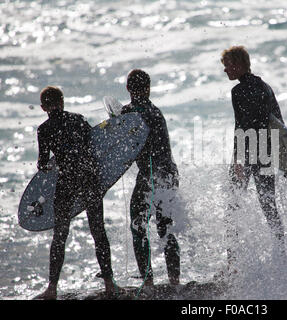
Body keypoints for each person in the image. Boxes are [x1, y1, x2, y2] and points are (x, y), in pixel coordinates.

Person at [34, 86, 121, 299]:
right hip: (89, 178)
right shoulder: (78, 119)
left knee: (60, 236)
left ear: (43, 107)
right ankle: (110, 284)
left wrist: (46, 165)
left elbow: (43, 163)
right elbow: (94, 146)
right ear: (62, 102)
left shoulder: (44, 130)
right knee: (98, 231)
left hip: (67, 183)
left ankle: (52, 289)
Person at [221, 46, 286, 271]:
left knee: (233, 206)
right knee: (269, 206)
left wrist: (237, 160)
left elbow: (241, 127)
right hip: (265, 153)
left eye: (227, 65)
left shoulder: (238, 91)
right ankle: (282, 256)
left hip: (248, 154)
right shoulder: (265, 87)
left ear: (239, 64)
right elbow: (278, 121)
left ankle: (233, 264)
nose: (225, 70)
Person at [121, 69, 180, 288]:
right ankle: (175, 282)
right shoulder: (156, 111)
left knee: (138, 225)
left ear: (128, 89)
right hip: (170, 174)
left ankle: (148, 283)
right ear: (149, 88)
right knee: (165, 227)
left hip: (150, 176)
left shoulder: (130, 114)